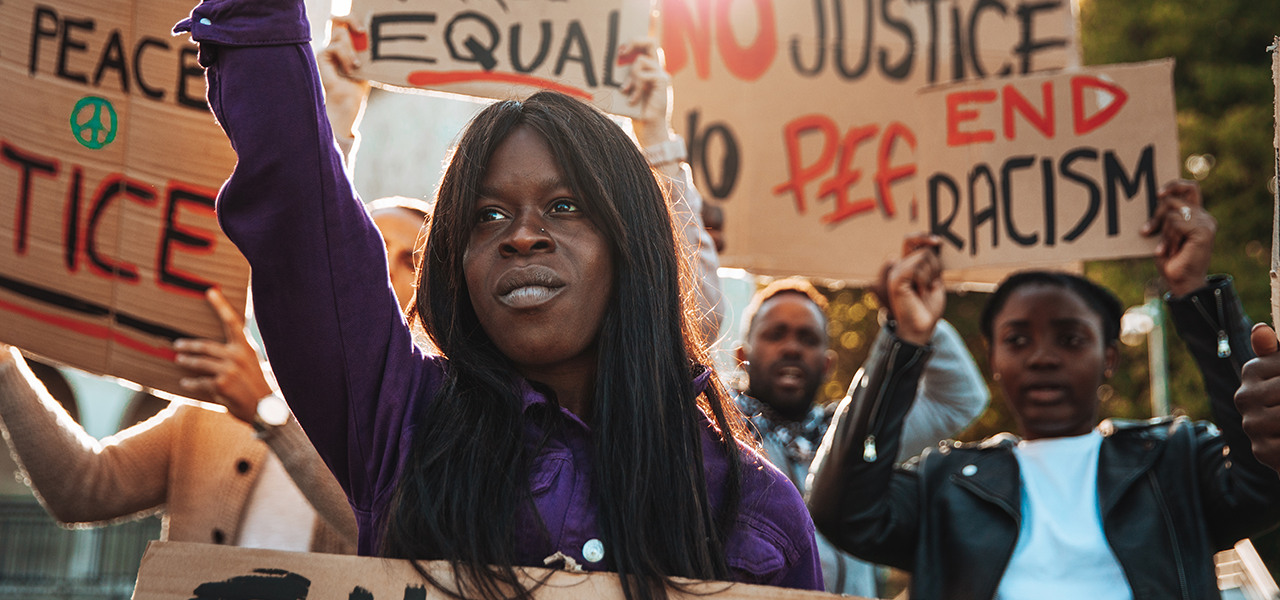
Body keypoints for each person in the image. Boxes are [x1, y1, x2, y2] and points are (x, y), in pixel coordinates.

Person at [175, 2, 820, 600]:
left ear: (636, 249)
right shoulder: (404, 421)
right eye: (487, 216)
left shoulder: (760, 513)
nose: (522, 236)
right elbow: (298, 205)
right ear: (457, 263)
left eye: (564, 207)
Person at [806, 181, 1280, 599]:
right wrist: (904, 339)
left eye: (1070, 338)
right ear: (994, 362)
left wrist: (1196, 292)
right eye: (1017, 340)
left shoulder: (1175, 462)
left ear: (1108, 358)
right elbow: (841, 508)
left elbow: (1264, 472)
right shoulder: (944, 486)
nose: (1042, 357)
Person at [0, 289, 357, 554]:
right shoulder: (216, 407)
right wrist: (6, 365)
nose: (376, 266)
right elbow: (83, 489)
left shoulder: (407, 435)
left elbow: (388, 538)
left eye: (410, 259)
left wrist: (269, 416)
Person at [734, 273, 987, 596]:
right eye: (775, 334)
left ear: (827, 365)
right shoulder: (716, 433)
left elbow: (961, 399)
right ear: (742, 355)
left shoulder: (858, 437)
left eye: (808, 338)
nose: (792, 348)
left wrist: (910, 319)